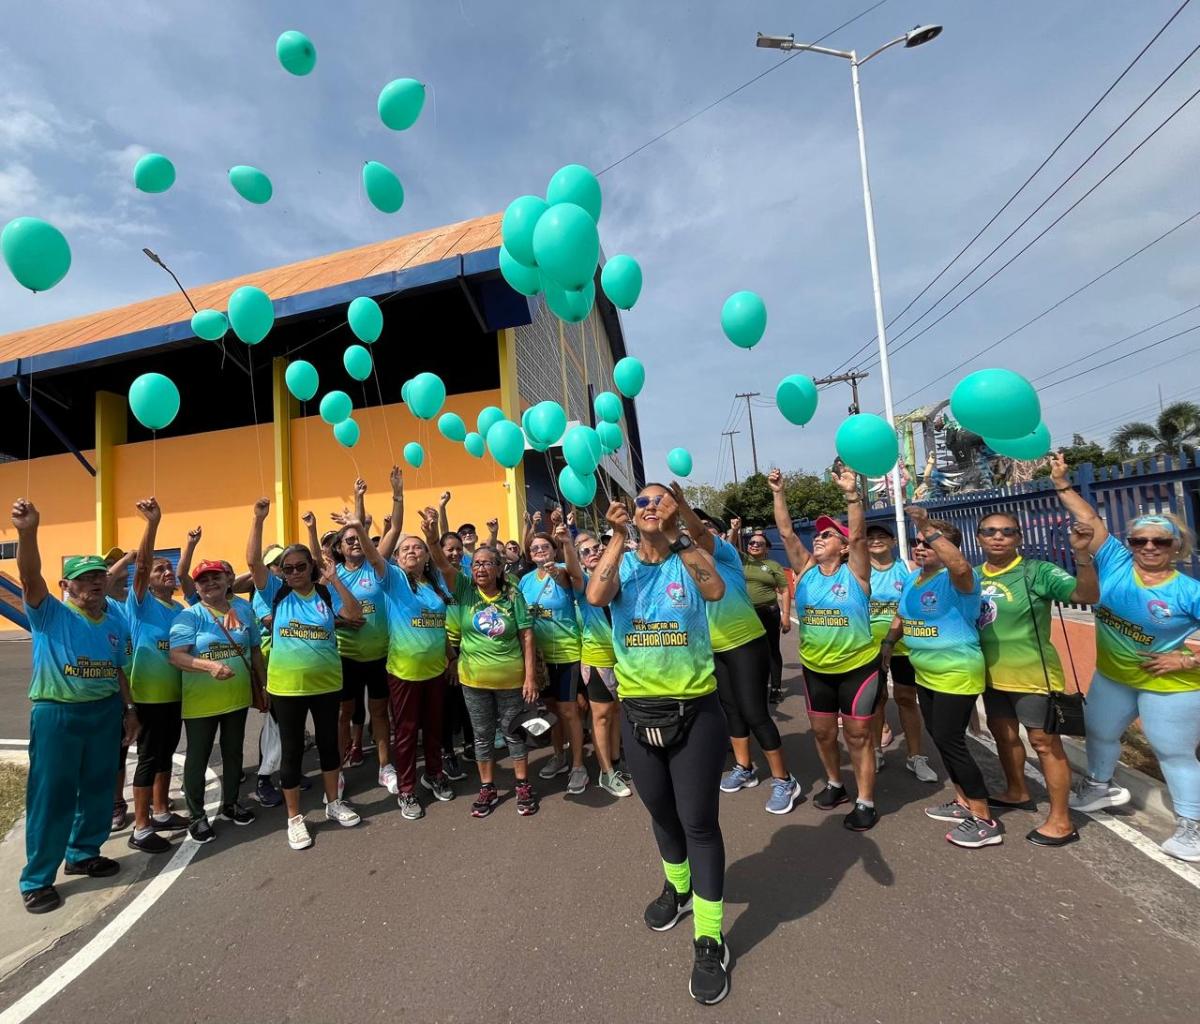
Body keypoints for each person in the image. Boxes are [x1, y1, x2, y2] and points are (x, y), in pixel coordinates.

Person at [586, 486, 731, 1006]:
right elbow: (596, 597)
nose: (649, 505)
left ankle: (710, 938)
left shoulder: (687, 558)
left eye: (659, 500)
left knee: (698, 823)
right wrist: (617, 536)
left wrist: (679, 536)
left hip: (694, 710)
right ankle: (678, 886)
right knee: (662, 814)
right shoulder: (621, 562)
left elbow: (714, 591)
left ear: (672, 511)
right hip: (638, 711)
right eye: (641, 500)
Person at [1051, 455, 1200, 862]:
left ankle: (1191, 825)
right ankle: (1099, 786)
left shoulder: (1188, 591)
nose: (1149, 547)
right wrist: (1062, 483)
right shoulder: (1116, 563)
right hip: (1113, 677)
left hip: (1170, 686)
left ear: (1176, 546)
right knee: (1099, 732)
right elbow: (1090, 520)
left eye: (1160, 542)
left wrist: (1186, 661)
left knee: (1172, 753)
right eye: (1140, 541)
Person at [13, 499, 138, 914]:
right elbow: (29, 576)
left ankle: (83, 853)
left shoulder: (116, 621)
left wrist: (130, 710)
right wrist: (28, 531)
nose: (95, 583)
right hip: (58, 714)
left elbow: (118, 670)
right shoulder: (49, 614)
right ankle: (37, 879)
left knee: (99, 788)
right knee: (53, 795)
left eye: (99, 575)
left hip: (104, 712)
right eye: (84, 578)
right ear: (66, 585)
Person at [974, 507, 1098, 846]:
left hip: (1032, 676)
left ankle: (1061, 820)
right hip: (990, 675)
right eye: (990, 531)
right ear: (979, 538)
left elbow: (1086, 596)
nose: (998, 537)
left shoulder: (1037, 571)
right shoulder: (973, 576)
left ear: (1019, 538)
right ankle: (1017, 791)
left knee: (1044, 744)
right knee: (1003, 735)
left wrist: (1082, 555)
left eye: (1007, 531)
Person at [247, 498, 365, 851]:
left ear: (311, 567)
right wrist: (258, 519)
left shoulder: (325, 593)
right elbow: (253, 562)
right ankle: (295, 818)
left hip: (326, 685)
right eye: (289, 568)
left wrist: (335, 580)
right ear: (282, 572)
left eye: (301, 566)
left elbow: (354, 613)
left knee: (329, 746)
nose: (295, 572)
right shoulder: (276, 592)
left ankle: (333, 803)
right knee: (292, 752)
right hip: (287, 688)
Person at [770, 466, 883, 830]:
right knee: (823, 733)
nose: (818, 538)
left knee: (858, 736)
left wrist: (852, 495)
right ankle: (836, 784)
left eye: (828, 535)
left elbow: (861, 536)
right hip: (816, 669)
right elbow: (786, 533)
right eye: (817, 535)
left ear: (844, 547)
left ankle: (865, 801)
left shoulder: (857, 572)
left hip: (857, 668)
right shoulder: (805, 571)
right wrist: (778, 493)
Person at [884, 510, 1003, 849]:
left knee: (951, 740)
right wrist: (888, 643)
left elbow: (961, 567)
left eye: (930, 543)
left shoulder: (958, 578)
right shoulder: (913, 578)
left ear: (949, 548)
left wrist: (925, 524)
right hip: (926, 674)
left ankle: (984, 819)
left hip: (956, 672)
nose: (921, 547)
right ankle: (963, 801)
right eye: (918, 542)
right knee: (939, 736)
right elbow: (901, 615)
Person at [424, 510, 540, 818]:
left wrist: (530, 677)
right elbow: (441, 563)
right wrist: (432, 536)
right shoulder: (464, 590)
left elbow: (527, 636)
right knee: (482, 735)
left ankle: (522, 784)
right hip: (473, 680)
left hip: (511, 679)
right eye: (476, 563)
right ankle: (487, 786)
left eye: (487, 563)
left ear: (500, 568)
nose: (480, 568)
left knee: (513, 732)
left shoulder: (512, 595)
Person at [690, 501, 801, 814]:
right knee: (732, 712)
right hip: (715, 649)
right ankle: (745, 767)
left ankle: (784, 780)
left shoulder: (726, 555)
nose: (699, 533)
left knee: (755, 712)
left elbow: (702, 536)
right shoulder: (688, 565)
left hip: (746, 644)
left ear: (717, 534)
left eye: (706, 528)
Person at [168, 561, 268, 842]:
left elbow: (254, 651)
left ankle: (232, 804)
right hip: (201, 704)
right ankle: (197, 816)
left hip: (237, 699)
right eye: (203, 580)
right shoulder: (189, 616)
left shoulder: (244, 610)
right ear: (196, 587)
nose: (210, 583)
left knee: (234, 752)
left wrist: (263, 685)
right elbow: (176, 656)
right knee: (197, 758)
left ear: (227, 580)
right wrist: (209, 666)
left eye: (216, 577)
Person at [124, 498, 190, 854]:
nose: (167, 572)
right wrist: (152, 524)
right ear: (147, 582)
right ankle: (141, 826)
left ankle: (161, 811)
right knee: (149, 759)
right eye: (159, 569)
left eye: (170, 568)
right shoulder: (141, 604)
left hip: (175, 695)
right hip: (148, 697)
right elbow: (141, 564)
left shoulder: (179, 609)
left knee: (166, 753)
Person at [378, 522, 454, 820]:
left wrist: (452, 658)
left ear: (426, 556)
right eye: (406, 548)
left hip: (435, 671)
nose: (412, 551)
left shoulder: (436, 586)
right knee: (407, 733)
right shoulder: (394, 581)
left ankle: (434, 774)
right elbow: (375, 557)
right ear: (397, 558)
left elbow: (440, 626)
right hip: (404, 673)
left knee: (435, 728)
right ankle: (407, 788)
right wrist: (379, 522)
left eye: (418, 547)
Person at [866, 523, 937, 784]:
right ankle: (876, 751)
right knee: (877, 699)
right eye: (871, 537)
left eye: (882, 536)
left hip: (905, 644)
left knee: (906, 698)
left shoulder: (908, 568)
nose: (876, 540)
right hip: (870, 645)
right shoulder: (859, 570)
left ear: (893, 541)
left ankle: (916, 756)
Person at [521, 519, 588, 794]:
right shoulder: (525, 580)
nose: (539, 550)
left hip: (566, 652)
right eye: (534, 548)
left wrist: (558, 564)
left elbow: (565, 579)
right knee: (550, 711)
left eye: (544, 546)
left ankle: (578, 765)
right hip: (539, 658)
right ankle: (559, 756)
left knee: (569, 711)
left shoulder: (562, 570)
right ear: (529, 553)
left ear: (553, 549)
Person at [576, 534, 631, 797]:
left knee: (617, 711)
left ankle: (616, 762)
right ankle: (606, 773)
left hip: (623, 655)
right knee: (601, 715)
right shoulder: (583, 582)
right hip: (597, 658)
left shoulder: (618, 577)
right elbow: (571, 568)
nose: (593, 553)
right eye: (586, 552)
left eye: (597, 548)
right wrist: (566, 542)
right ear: (580, 560)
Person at [740, 527, 791, 704]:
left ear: (766, 548)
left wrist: (786, 615)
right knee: (748, 651)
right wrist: (734, 529)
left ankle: (775, 689)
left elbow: (784, 590)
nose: (754, 545)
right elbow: (726, 546)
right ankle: (754, 687)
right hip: (747, 614)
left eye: (759, 544)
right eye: (751, 542)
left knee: (772, 649)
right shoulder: (741, 560)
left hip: (768, 612)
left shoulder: (773, 566)